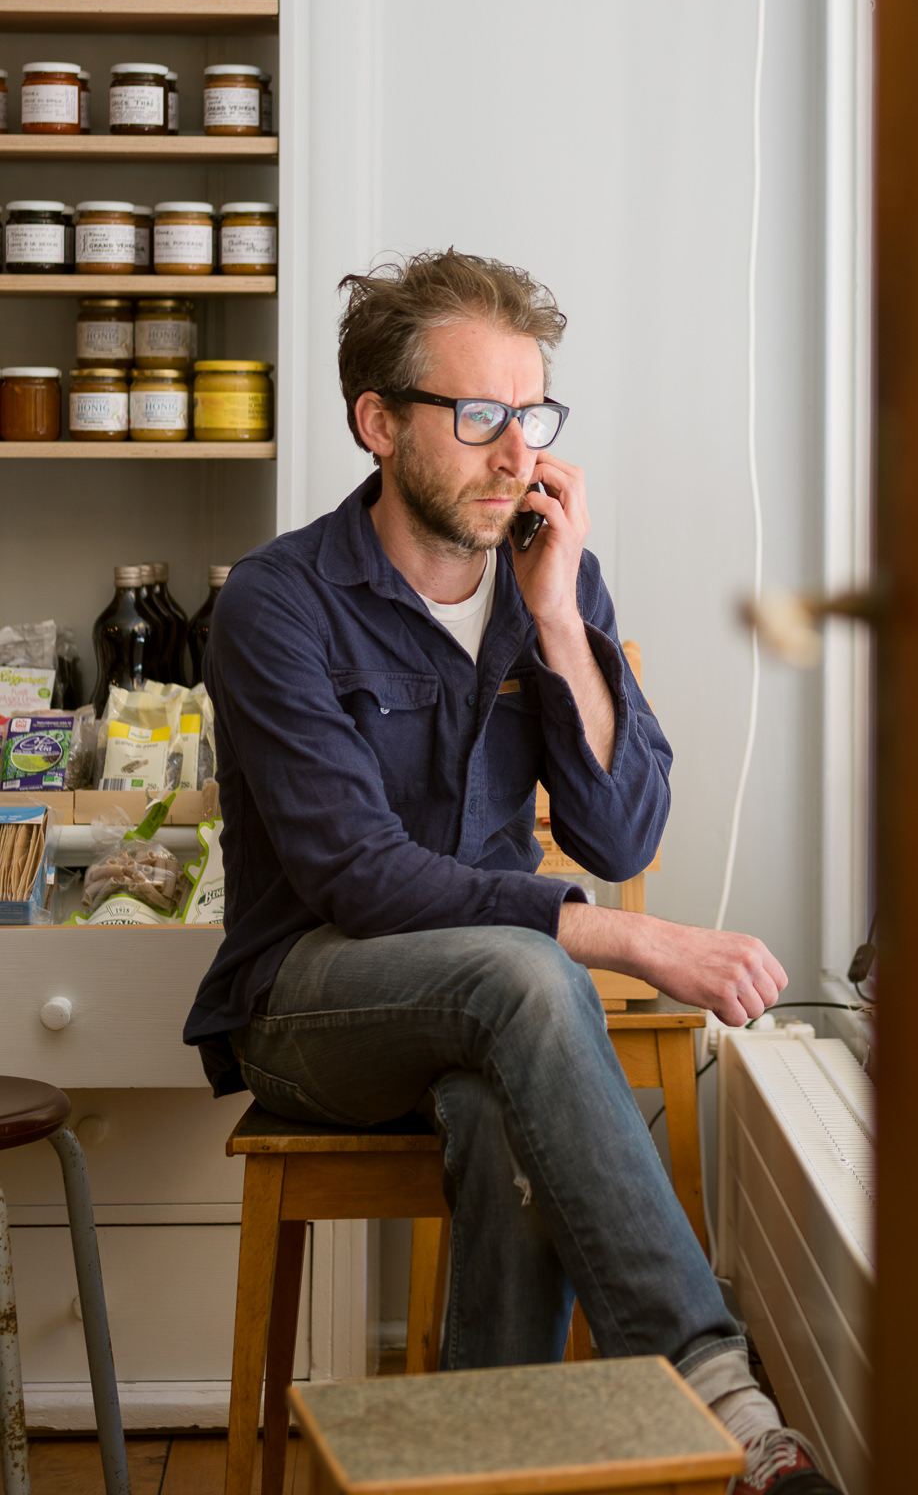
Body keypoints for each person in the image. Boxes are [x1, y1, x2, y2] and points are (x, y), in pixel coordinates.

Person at [184, 252, 834, 1495]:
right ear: (379, 423)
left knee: (504, 1093)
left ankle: (487, 1470)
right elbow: (362, 879)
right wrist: (631, 940)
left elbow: (623, 830)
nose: (514, 453)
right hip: (309, 1003)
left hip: (498, 1006)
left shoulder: (554, 578)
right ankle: (722, 1392)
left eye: (531, 415)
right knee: (531, 974)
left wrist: (552, 626)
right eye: (478, 415)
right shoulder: (278, 603)